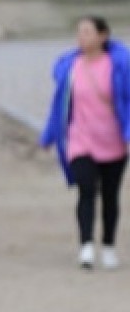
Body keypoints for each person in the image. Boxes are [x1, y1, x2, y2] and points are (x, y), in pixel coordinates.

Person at [40, 15, 130, 270]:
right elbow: (59, 107)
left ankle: (109, 245)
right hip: (80, 139)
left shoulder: (119, 66)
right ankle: (87, 246)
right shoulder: (69, 67)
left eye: (88, 32)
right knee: (86, 190)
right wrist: (48, 135)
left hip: (113, 141)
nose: (82, 37)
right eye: (79, 32)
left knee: (110, 196)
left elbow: (128, 102)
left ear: (103, 36)